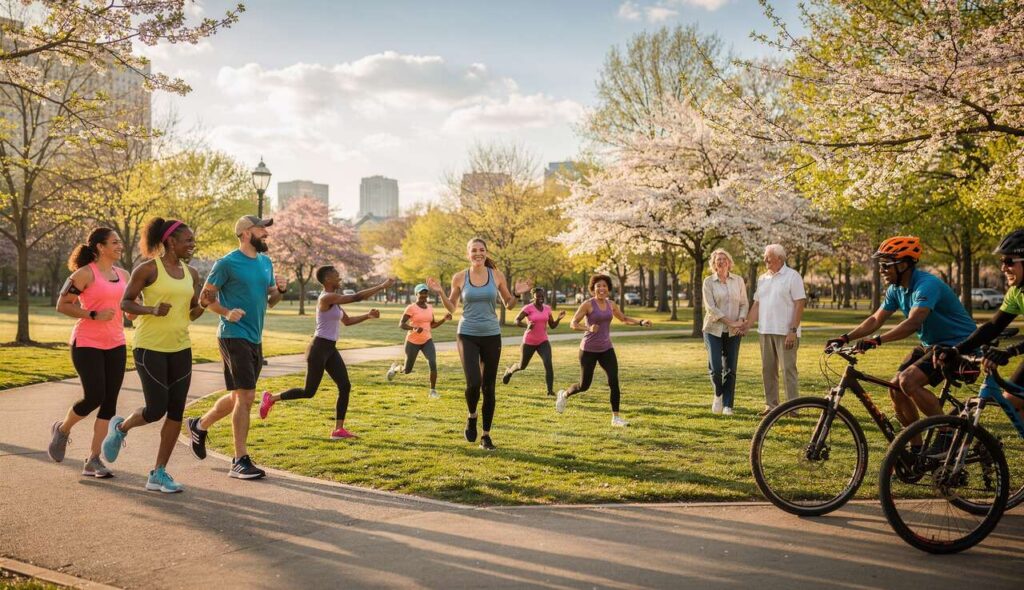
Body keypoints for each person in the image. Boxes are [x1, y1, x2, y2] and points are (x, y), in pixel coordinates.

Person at [824, 236, 976, 426]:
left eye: (886, 265)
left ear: (903, 265)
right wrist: (844, 338)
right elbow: (875, 319)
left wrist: (876, 340)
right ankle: (915, 448)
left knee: (907, 381)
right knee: (895, 388)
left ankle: (946, 433)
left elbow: (913, 322)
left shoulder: (926, 285)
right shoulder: (895, 289)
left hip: (958, 344)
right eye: (881, 265)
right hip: (931, 344)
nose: (881, 271)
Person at [101, 218, 203, 493]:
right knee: (156, 409)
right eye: (188, 241)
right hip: (150, 347)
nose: (192, 245)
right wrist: (151, 310)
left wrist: (203, 305)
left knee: (176, 411)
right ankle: (121, 427)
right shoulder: (148, 269)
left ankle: (158, 473)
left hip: (181, 347)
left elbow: (192, 311)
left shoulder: (192, 274)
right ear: (171, 241)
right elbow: (125, 302)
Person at [186, 215, 288, 480]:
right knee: (246, 397)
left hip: (254, 337)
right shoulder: (226, 263)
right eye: (260, 229)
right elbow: (204, 299)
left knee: (236, 397)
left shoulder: (266, 262)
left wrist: (280, 290)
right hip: (232, 335)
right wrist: (226, 311)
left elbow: (271, 301)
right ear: (245, 233)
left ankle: (199, 425)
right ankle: (239, 460)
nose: (266, 233)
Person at [259, 267, 392, 439]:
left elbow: (348, 321)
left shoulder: (334, 301)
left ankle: (338, 430)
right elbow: (356, 297)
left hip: (330, 349)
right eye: (337, 276)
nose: (340, 279)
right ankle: (271, 398)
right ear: (328, 279)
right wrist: (381, 286)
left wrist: (367, 316)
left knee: (345, 386)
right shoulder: (326, 297)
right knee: (309, 391)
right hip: (318, 348)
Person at [428, 237, 531, 451]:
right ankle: (471, 415)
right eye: (474, 250)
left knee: (489, 387)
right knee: (473, 383)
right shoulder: (459, 277)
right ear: (468, 254)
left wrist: (519, 294)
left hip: (492, 335)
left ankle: (486, 435)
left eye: (481, 250)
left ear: (486, 252)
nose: (478, 253)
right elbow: (452, 308)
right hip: (467, 334)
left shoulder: (496, 275)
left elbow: (509, 305)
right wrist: (439, 293)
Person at [47, 228, 131, 478]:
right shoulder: (83, 274)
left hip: (116, 343)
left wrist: (136, 313)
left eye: (119, 242)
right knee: (94, 396)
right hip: (87, 343)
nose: (119, 246)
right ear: (99, 247)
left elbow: (126, 307)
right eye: (114, 242)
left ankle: (93, 460)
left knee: (109, 402)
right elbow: (62, 305)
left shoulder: (124, 274)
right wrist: (92, 314)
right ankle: (62, 429)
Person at [936, 230, 1024, 416]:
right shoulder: (1017, 292)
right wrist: (957, 349)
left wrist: (1011, 350)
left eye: (1009, 261)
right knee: (1012, 401)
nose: (1003, 268)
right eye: (1002, 262)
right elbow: (993, 326)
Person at [555, 274, 652, 426]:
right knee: (584, 385)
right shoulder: (588, 304)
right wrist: (588, 328)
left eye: (604, 286)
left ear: (608, 289)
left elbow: (624, 319)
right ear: (593, 289)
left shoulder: (611, 304)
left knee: (614, 381)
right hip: (588, 350)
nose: (601, 288)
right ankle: (564, 394)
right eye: (598, 286)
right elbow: (573, 324)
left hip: (606, 348)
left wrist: (641, 322)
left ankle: (616, 418)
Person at [741, 244, 806, 416]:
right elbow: (757, 304)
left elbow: (800, 303)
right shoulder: (763, 278)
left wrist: (793, 330)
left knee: (788, 370)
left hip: (786, 332)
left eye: (768, 257)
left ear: (779, 258)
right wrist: (747, 325)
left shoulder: (793, 276)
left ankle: (793, 408)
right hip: (765, 331)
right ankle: (771, 406)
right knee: (768, 369)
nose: (765, 260)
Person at [386, 282, 452, 399]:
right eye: (421, 293)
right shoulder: (411, 308)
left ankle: (432, 391)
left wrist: (444, 319)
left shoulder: (430, 307)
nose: (424, 295)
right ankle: (395, 369)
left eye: (425, 293)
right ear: (416, 294)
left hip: (427, 340)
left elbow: (432, 325)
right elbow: (401, 324)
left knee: (432, 362)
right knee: (407, 370)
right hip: (412, 342)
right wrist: (414, 328)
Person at [702, 249, 748, 416]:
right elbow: (711, 308)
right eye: (717, 260)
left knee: (731, 369)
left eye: (724, 259)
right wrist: (731, 322)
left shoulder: (738, 281)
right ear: (714, 264)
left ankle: (728, 405)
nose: (721, 262)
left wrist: (741, 320)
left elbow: (744, 303)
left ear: (729, 262)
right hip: (713, 330)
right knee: (715, 368)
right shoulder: (708, 282)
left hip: (733, 331)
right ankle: (718, 394)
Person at [502, 287, 565, 396]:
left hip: (543, 341)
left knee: (548, 364)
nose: (541, 298)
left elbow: (552, 326)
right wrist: (527, 325)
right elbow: (516, 320)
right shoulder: (528, 308)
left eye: (542, 296)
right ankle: (509, 371)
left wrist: (559, 319)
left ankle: (550, 391)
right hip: (529, 342)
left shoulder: (547, 309)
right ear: (533, 297)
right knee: (522, 366)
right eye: (538, 296)